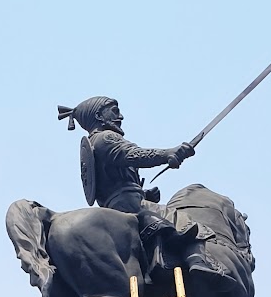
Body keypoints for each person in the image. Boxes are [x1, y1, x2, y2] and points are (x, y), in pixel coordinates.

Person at [54, 95, 198, 271]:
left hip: (118, 204)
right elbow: (134, 155)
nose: (120, 117)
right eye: (114, 111)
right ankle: (198, 265)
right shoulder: (105, 138)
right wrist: (169, 153)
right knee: (184, 221)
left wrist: (144, 194)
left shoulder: (94, 142)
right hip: (129, 204)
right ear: (99, 116)